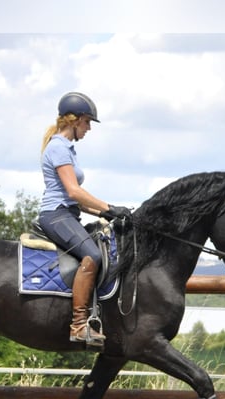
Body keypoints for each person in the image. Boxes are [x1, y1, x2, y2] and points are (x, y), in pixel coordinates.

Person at [38, 91, 132, 347]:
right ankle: (79, 325)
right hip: (56, 215)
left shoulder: (67, 149)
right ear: (74, 120)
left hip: (67, 213)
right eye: (87, 122)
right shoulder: (58, 147)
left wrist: (106, 213)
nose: (89, 128)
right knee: (93, 256)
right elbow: (73, 191)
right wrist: (108, 206)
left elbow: (76, 200)